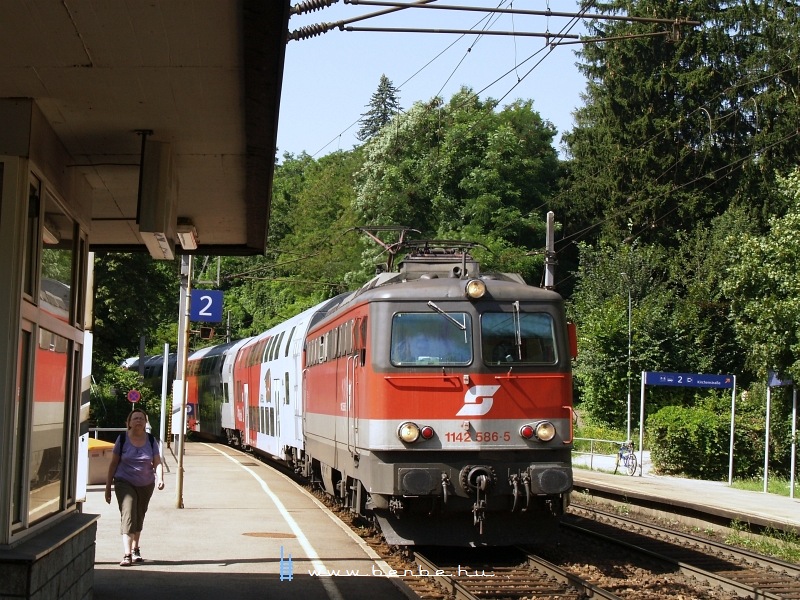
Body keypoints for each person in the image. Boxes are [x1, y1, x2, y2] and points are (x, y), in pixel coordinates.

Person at [104, 407, 165, 567]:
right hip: (124, 482)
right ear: (129, 423)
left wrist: (160, 478)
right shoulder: (122, 439)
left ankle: (136, 548)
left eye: (141, 418)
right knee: (129, 513)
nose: (138, 421)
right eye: (135, 418)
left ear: (145, 423)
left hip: (146, 483)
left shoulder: (151, 440)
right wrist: (108, 486)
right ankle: (127, 554)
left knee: (139, 515)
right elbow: (113, 464)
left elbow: (157, 462)